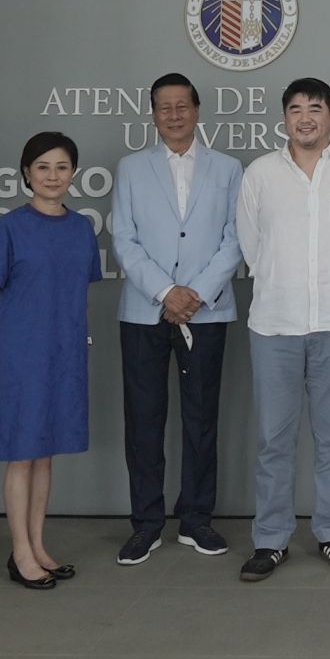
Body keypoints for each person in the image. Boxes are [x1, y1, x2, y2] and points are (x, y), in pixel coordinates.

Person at [235, 77, 330, 581]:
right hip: (274, 324)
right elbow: (252, 246)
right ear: (284, 118)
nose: (305, 118)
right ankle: (270, 538)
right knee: (274, 439)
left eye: (314, 108)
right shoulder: (260, 174)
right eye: (295, 109)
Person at [111, 73, 244, 565]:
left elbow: (236, 238)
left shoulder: (228, 168)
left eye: (182, 106)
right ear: (152, 113)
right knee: (144, 421)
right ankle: (146, 524)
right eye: (164, 107)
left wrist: (196, 293)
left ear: (197, 110)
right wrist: (167, 291)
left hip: (207, 313)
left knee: (201, 418)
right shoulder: (131, 167)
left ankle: (196, 520)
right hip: (145, 311)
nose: (173, 115)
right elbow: (123, 238)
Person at [0, 132, 102, 589]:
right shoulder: (9, 227)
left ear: (73, 173)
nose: (53, 175)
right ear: (26, 172)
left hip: (64, 352)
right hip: (20, 353)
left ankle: (39, 544)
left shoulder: (81, 227)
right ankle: (20, 552)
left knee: (47, 454)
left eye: (62, 167)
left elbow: (74, 292)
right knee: (22, 455)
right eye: (43, 167)